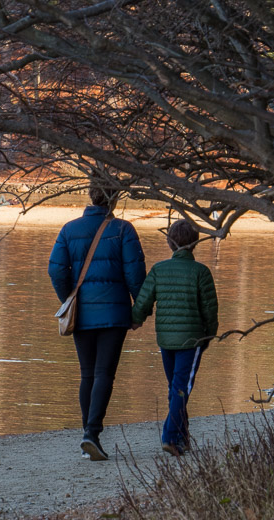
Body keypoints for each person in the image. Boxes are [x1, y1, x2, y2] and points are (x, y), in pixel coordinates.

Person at [48, 180, 146, 461]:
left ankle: (87, 435)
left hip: (83, 312)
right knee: (104, 374)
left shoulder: (69, 229)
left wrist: (69, 298)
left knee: (87, 374)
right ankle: (92, 433)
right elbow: (135, 275)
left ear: (91, 197)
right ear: (114, 200)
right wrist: (138, 310)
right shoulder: (123, 229)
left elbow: (55, 270)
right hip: (115, 314)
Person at [131, 219, 218, 457]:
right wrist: (209, 335)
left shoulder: (159, 270)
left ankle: (182, 437)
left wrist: (135, 320)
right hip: (191, 340)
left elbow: (143, 301)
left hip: (166, 340)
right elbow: (210, 310)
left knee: (176, 388)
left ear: (170, 242)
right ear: (195, 243)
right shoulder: (201, 272)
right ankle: (170, 436)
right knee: (181, 388)